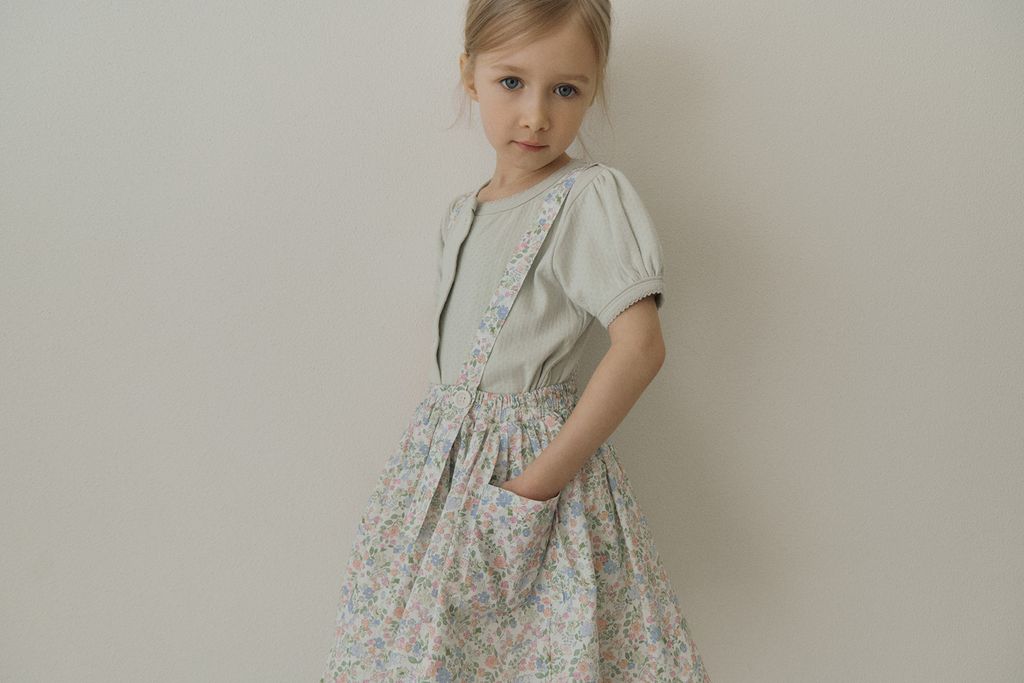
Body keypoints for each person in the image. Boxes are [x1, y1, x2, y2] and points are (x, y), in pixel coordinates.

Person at [320, 1, 711, 680]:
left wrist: (532, 489)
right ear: (468, 75)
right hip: (441, 479)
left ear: (594, 88)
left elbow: (640, 347)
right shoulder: (462, 213)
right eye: (511, 82)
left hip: (530, 474)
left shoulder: (587, 198)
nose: (535, 115)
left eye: (565, 90)